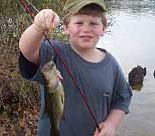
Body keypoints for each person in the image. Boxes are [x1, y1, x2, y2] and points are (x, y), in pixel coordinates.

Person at [18, 0, 132, 135]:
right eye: (79, 23)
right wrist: (37, 28)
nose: (86, 29)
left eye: (94, 23)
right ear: (66, 28)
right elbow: (27, 51)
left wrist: (111, 124)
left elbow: (122, 98)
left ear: (103, 29)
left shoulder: (111, 64)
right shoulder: (54, 53)